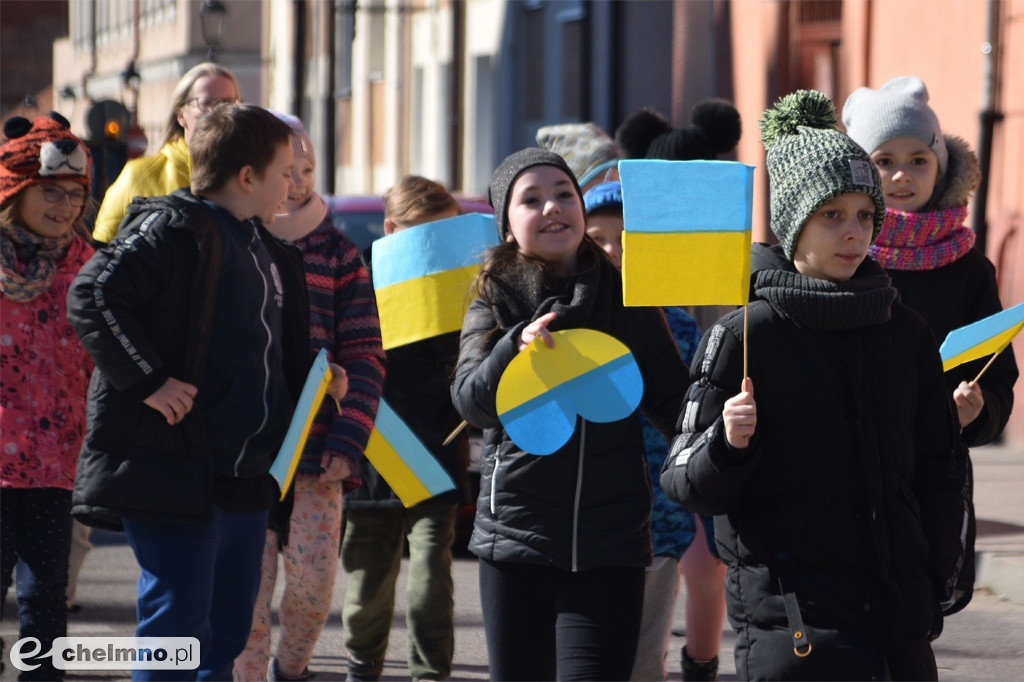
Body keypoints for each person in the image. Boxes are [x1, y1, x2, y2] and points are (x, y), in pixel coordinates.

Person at [660, 90, 968, 680]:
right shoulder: (746, 335)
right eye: (832, 215)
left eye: (864, 216)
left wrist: (932, 576)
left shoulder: (904, 330)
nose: (854, 233)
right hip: (797, 632)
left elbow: (939, 467)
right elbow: (684, 479)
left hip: (899, 629)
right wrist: (728, 444)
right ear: (793, 224)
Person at [67, 104, 345, 681]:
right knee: (176, 635)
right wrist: (148, 381)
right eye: (285, 171)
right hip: (176, 469)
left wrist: (320, 379)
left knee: (227, 628)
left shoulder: (269, 249)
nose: (294, 184)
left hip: (245, 480)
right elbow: (93, 295)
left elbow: (262, 352)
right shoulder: (176, 228)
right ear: (247, 177)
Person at [450, 148, 689, 681]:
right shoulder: (494, 296)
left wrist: (725, 411)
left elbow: (676, 406)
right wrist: (514, 349)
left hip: (613, 546)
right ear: (507, 226)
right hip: (516, 543)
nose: (552, 207)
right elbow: (470, 401)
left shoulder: (629, 298)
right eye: (531, 200)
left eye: (563, 193)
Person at [842, 76, 1019, 610]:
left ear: (941, 165)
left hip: (931, 472)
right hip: (843, 466)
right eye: (884, 159)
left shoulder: (968, 269)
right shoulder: (839, 255)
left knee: (915, 618)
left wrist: (978, 412)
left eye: (918, 159)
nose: (901, 174)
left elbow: (998, 372)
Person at [234, 114, 385, 682]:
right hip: (247, 457)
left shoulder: (339, 252)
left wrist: (351, 437)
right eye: (285, 169)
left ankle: (291, 669)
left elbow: (368, 353)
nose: (296, 182)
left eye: (307, 169)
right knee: (247, 590)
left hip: (320, 457)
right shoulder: (238, 242)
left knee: (313, 590)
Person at [581, 180, 724, 682]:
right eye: (597, 239)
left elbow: (692, 418)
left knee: (642, 663)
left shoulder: (682, 329)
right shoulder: (567, 323)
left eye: (628, 240)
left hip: (657, 525)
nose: (613, 252)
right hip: (583, 525)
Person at [341, 174, 470, 682]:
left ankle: (427, 672)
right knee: (371, 580)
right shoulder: (360, 281)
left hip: (433, 447)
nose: (437, 248)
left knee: (428, 579)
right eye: (425, 235)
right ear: (391, 229)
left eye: (446, 235)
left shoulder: (461, 286)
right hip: (375, 445)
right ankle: (363, 666)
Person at [0, 112, 94, 681]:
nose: (64, 206)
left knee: (44, 603)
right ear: (17, 191)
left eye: (75, 194)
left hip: (58, 465)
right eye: (50, 191)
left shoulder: (91, 268)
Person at [91, 62, 240, 242]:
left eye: (228, 103)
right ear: (180, 115)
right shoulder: (138, 175)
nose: (218, 112)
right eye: (206, 103)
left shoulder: (251, 177)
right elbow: (101, 252)